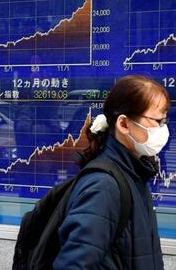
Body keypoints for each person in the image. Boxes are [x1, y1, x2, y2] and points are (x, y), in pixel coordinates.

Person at [53, 75, 169, 269]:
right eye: (157, 121)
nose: (162, 129)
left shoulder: (134, 172)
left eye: (164, 121)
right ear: (123, 124)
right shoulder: (104, 187)